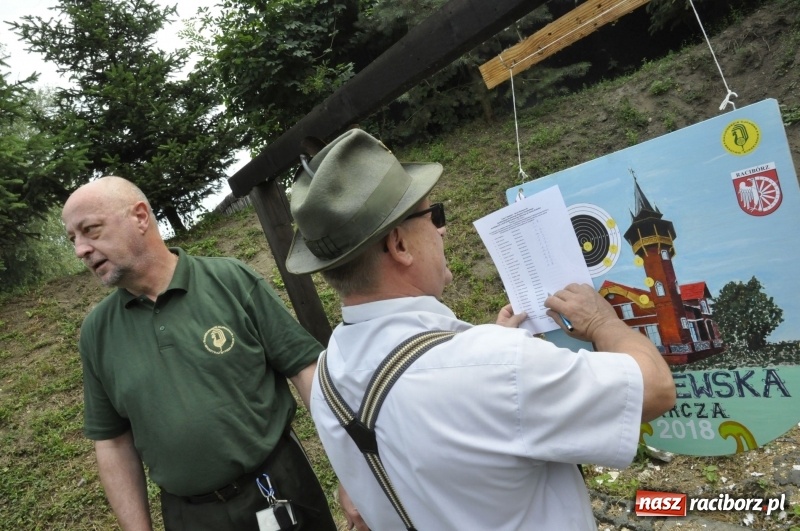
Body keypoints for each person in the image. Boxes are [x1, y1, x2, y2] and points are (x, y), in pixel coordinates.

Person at [285, 129, 677, 530]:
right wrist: (602, 321)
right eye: (433, 216)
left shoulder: (326, 378)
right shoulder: (496, 367)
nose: (442, 230)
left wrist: (494, 353)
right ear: (399, 245)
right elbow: (655, 389)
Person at [61, 176, 340, 531]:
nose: (80, 250)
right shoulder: (97, 333)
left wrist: (351, 472)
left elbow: (305, 370)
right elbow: (112, 442)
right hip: (189, 516)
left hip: (279, 487)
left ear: (140, 217)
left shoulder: (230, 280)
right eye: (73, 239)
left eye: (90, 230)